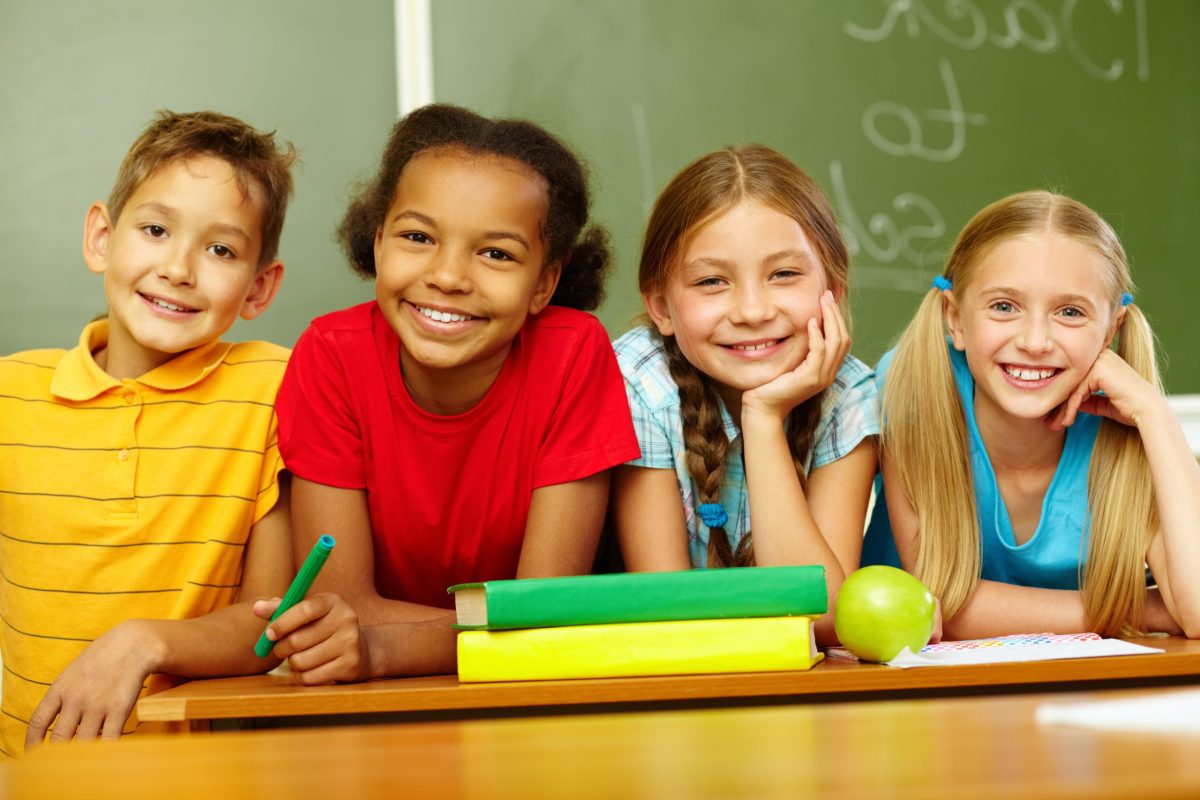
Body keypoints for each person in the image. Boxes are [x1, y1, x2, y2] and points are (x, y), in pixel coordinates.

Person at [258, 104, 639, 681]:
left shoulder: (573, 355)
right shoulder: (331, 354)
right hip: (370, 705)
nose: (448, 276)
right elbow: (348, 609)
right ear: (378, 240)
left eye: (496, 253)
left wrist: (388, 646)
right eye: (417, 237)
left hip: (521, 701)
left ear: (544, 283)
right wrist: (493, 630)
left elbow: (540, 617)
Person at [0, 110, 297, 753]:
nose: (179, 268)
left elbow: (263, 626)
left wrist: (144, 638)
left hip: (204, 777)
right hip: (30, 775)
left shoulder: (274, 390)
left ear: (259, 286)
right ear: (102, 239)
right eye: (156, 229)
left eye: (221, 249)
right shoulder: (10, 396)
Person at [863, 190, 1200, 639]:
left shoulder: (1130, 428)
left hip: (1070, 694)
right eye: (1004, 307)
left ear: (1111, 329)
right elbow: (941, 602)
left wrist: (1156, 416)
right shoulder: (916, 387)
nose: (1035, 341)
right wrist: (1141, 609)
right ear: (956, 319)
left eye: (1070, 312)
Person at [609, 145, 879, 642]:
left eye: (783, 274)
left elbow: (822, 615)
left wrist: (762, 417)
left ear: (834, 291)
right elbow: (669, 611)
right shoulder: (635, 383)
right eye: (712, 281)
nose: (752, 310)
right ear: (661, 308)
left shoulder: (851, 394)